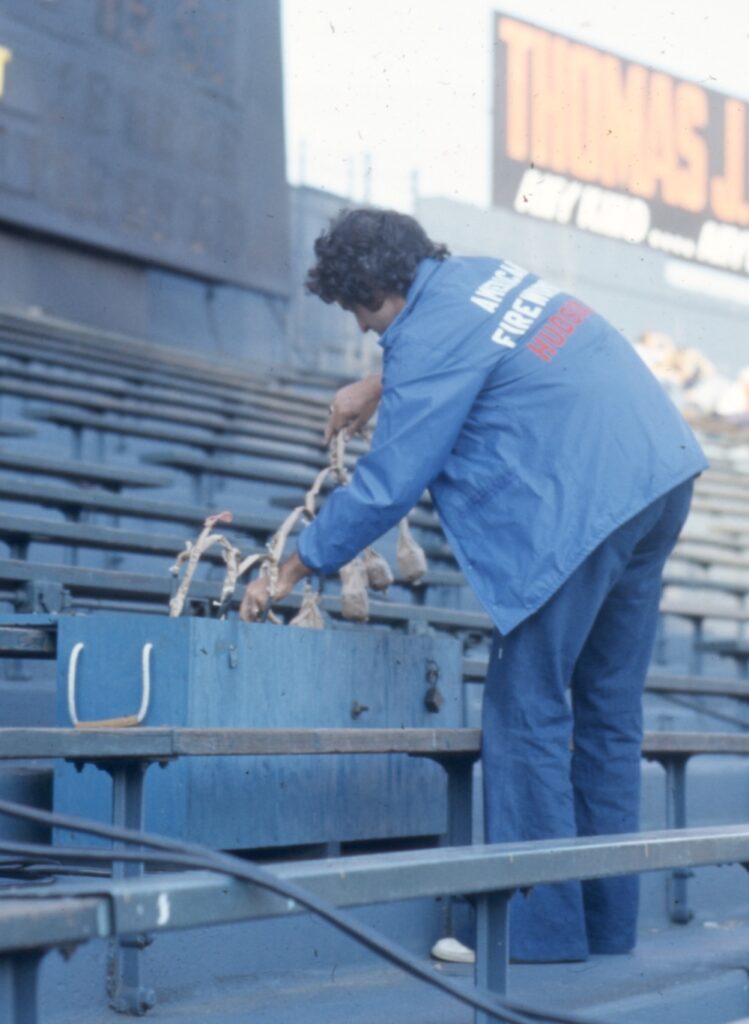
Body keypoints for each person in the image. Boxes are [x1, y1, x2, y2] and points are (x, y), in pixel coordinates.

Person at [240, 208, 708, 962]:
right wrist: (379, 383)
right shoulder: (480, 274)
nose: (367, 331)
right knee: (609, 715)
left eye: (363, 315)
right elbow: (472, 345)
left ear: (381, 290)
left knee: (522, 709)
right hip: (658, 476)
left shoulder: (425, 334)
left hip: (581, 505)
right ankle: (604, 923)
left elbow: (391, 481)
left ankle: (539, 931)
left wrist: (297, 561)